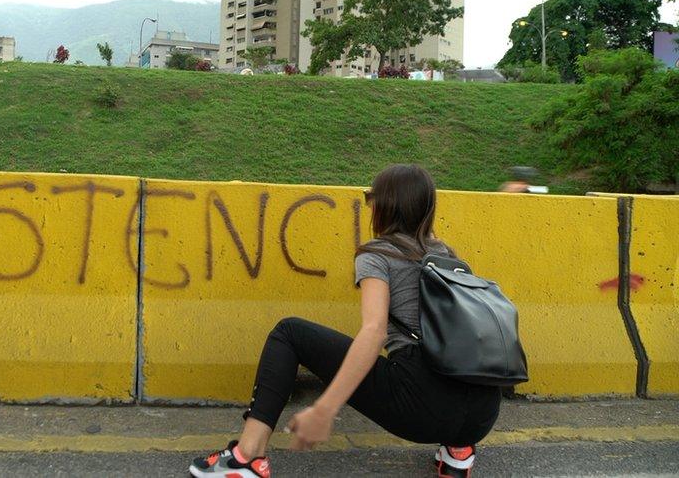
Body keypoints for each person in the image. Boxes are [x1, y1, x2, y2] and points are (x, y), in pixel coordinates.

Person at [188, 164, 502, 478]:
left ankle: (248, 456)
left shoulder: (377, 254)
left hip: (420, 408)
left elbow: (374, 330)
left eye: (371, 197)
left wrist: (325, 409)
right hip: (482, 416)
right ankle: (458, 454)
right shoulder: (450, 257)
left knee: (288, 332)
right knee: (444, 375)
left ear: (384, 206)